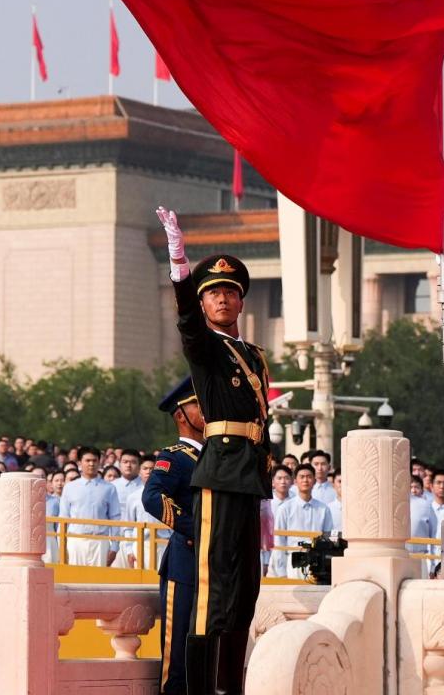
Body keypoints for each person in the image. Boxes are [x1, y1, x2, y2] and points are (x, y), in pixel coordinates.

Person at [158, 207, 272, 695]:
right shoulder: (205, 348)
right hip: (219, 474)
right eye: (213, 294)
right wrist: (179, 265)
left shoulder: (254, 356)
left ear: (241, 302)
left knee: (246, 591)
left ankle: (231, 686)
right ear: (204, 305)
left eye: (229, 292)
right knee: (212, 591)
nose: (222, 298)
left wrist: (265, 490)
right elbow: (185, 320)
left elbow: (262, 424)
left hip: (247, 478)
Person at [142, 377, 203, 695]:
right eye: (198, 405)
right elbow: (152, 498)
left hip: (211, 565)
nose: (207, 411)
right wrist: (195, 528)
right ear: (181, 414)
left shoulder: (216, 457)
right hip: (185, 563)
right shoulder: (175, 457)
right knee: (176, 652)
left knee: (206, 651)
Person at [59, 447, 121, 567]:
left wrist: (114, 547)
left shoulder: (109, 488)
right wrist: (62, 545)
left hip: (100, 541)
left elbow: (115, 518)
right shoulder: (70, 487)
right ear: (80, 463)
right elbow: (63, 517)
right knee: (74, 580)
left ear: (99, 462)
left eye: (94, 460)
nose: (91, 464)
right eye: (87, 460)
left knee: (99, 583)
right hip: (76, 540)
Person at [273, 464, 335, 580]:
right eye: (302, 477)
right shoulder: (285, 508)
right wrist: (281, 571)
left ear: (315, 481)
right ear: (295, 481)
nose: (305, 480)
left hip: (316, 563)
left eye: (309, 476)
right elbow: (279, 541)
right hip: (292, 561)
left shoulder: (323, 509)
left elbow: (328, 538)